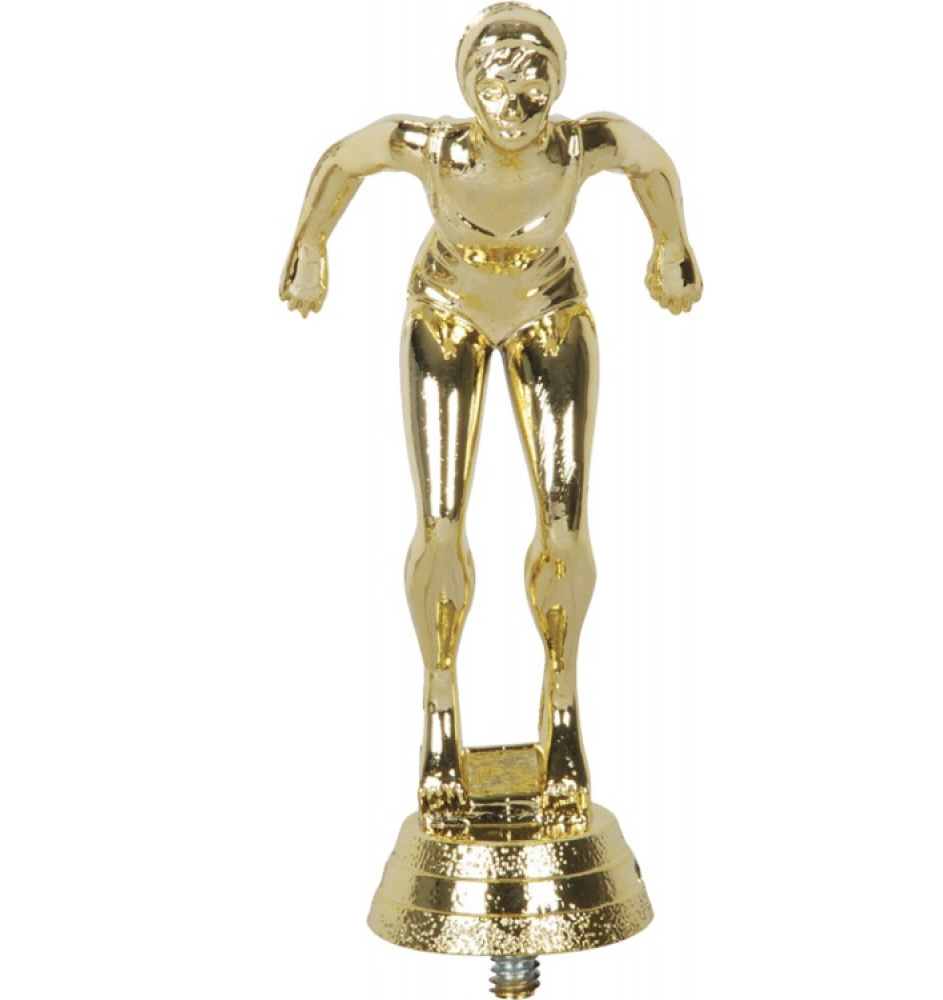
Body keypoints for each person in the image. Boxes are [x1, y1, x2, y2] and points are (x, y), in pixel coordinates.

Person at [280, 3, 702, 835]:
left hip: (550, 306)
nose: (518, 101)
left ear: (559, 83)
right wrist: (309, 247)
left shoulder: (578, 146)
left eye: (537, 80)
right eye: (499, 82)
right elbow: (345, 159)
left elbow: (648, 160)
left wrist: (672, 246)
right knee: (441, 525)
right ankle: (439, 705)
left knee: (564, 526)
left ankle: (563, 708)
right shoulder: (433, 147)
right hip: (448, 311)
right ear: (469, 86)